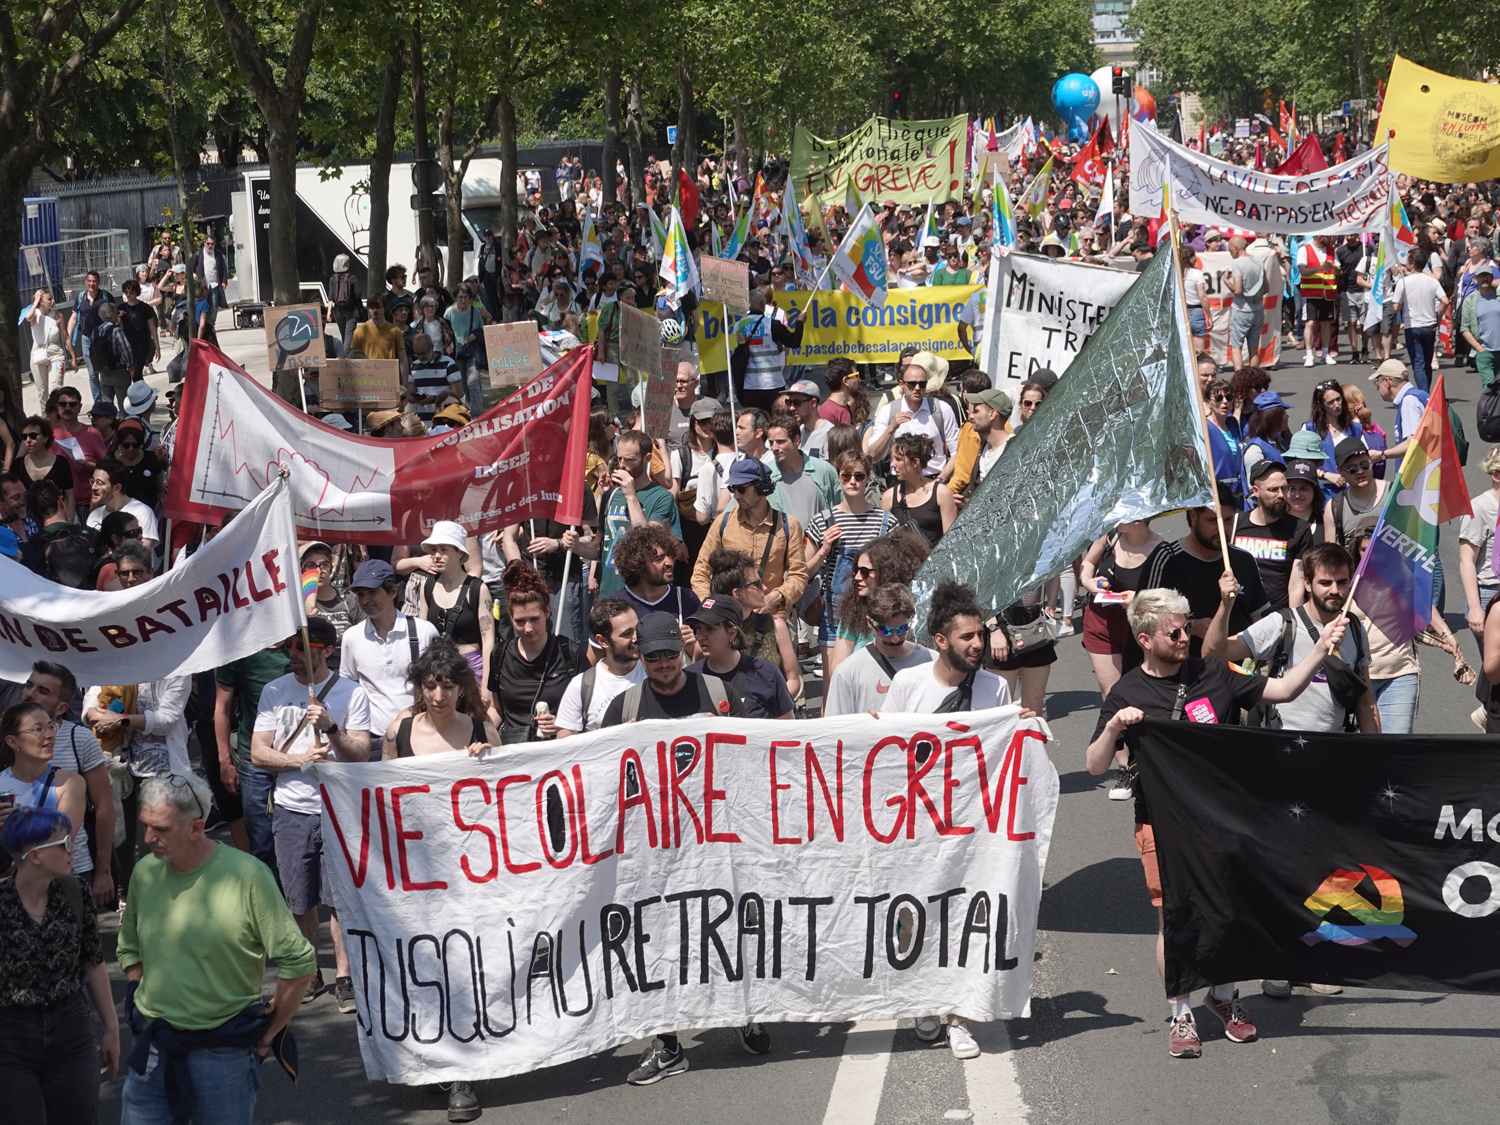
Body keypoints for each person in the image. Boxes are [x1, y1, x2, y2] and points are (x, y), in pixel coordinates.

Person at [1086, 585, 1346, 1058]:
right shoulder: (1128, 690)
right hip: (1161, 824)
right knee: (1175, 918)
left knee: (1226, 911)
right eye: (1175, 631)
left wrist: (1322, 649)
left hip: (1225, 821)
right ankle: (1181, 1010)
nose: (1186, 636)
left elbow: (1283, 690)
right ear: (1144, 639)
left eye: (1187, 627)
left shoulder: (1214, 673)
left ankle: (1224, 998)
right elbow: (1094, 766)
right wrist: (1112, 728)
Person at [116, 771, 315, 1124]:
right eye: (145, 826)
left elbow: (299, 965)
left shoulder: (248, 877)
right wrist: (136, 991)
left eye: (161, 829)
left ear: (196, 827)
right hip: (153, 1046)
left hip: (223, 1054)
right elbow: (129, 945)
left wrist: (268, 1034)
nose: (148, 839)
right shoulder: (145, 873)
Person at [875, 581, 1011, 1059]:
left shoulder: (996, 687)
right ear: (940, 640)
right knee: (913, 916)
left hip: (973, 826)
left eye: (980, 635)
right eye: (967, 637)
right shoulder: (909, 685)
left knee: (966, 917)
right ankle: (923, 998)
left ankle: (958, 1016)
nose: (978, 645)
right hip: (916, 826)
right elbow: (884, 750)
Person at [250, 617, 372, 1011]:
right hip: (291, 809)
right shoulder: (274, 691)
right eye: (292, 648)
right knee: (299, 898)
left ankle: (345, 976)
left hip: (338, 809)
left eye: (305, 650)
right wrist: (300, 759)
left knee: (339, 899)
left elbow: (360, 755)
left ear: (327, 653)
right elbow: (258, 753)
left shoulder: (352, 694)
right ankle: (310, 970)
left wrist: (332, 728)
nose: (296, 656)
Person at [0, 807, 118, 1122]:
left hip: (71, 1030)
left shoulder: (75, 891)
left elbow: (93, 961)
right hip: (11, 1037)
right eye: (65, 843)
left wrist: (112, 1028)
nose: (75, 848)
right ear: (35, 856)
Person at [20, 661, 116, 905]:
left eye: (43, 691)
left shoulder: (79, 738)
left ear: (62, 707)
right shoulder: (4, 736)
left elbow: (104, 807)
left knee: (73, 942)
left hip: (72, 868)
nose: (30, 693)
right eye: (29, 685)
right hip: (14, 870)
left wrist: (103, 872)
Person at [1150, 485, 1271, 657]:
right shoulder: (1166, 559)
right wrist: (1190, 625)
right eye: (1213, 521)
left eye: (1228, 520)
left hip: (1237, 671)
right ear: (1193, 517)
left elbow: (1256, 618)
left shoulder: (1243, 560)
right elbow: (1146, 621)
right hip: (1186, 671)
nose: (1222, 529)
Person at [338, 559, 440, 759]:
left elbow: (442, 683)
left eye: (372, 592)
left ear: (393, 592)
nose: (365, 600)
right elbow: (347, 688)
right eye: (360, 594)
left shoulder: (424, 631)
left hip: (419, 735)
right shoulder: (352, 637)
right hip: (374, 737)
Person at [804, 450, 893, 678]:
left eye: (859, 476)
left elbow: (895, 574)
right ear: (838, 476)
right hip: (833, 615)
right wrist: (824, 548)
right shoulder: (822, 520)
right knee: (832, 686)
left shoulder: (885, 521)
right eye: (846, 476)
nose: (852, 481)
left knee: (872, 683)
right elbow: (804, 571)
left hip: (874, 614)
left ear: (868, 478)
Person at [691, 457, 808, 616]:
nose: (736, 496)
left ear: (760, 487)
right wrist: (713, 607)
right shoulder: (722, 523)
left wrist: (777, 596)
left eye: (741, 488)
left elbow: (799, 575)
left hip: (772, 617)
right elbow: (700, 572)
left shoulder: (789, 525)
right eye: (733, 488)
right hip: (731, 619)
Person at [214, 641, 291, 881]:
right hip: (254, 762)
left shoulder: (301, 644)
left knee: (301, 841)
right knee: (262, 845)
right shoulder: (238, 649)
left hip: (298, 761)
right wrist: (225, 762)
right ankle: (268, 908)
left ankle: (299, 906)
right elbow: (222, 708)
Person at [489, 560, 580, 742]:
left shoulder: (569, 652)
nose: (528, 628)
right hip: (514, 748)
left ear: (547, 612)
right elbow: (496, 709)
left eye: (534, 619)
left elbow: (586, 710)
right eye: (520, 621)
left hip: (556, 748)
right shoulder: (500, 654)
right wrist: (481, 734)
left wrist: (563, 724)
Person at [584, 430, 682, 599]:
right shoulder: (610, 495)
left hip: (642, 594)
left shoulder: (662, 498)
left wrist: (631, 496)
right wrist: (571, 545)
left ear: (647, 459)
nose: (622, 465)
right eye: (619, 458)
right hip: (609, 592)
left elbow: (648, 542)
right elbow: (599, 547)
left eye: (629, 460)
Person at [822, 582, 934, 716]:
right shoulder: (847, 673)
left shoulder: (933, 661)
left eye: (902, 629)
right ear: (870, 623)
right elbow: (835, 729)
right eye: (886, 631)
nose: (895, 639)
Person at [417, 521, 495, 700]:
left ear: (460, 553)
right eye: (434, 549)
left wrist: (486, 684)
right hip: (436, 671)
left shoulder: (477, 589)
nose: (437, 555)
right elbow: (423, 637)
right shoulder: (427, 586)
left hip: (470, 669)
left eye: (444, 549)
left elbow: (488, 639)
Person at [383, 639, 498, 758]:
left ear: (461, 689)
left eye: (448, 687)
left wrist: (488, 761)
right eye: (430, 687)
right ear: (420, 687)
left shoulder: (485, 733)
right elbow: (385, 776)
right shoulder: (398, 732)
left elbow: (499, 774)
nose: (438, 697)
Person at [685, 596, 794, 719]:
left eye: (710, 629)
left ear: (732, 633)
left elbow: (788, 730)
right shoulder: (688, 678)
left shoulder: (767, 673)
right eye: (698, 628)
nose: (700, 636)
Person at [554, 598, 645, 736]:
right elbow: (564, 744)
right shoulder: (582, 685)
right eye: (627, 634)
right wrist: (612, 736)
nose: (636, 637)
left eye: (637, 629)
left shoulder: (655, 671)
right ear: (603, 641)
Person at [1232, 460, 1313, 611]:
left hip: (1277, 617)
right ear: (1256, 491)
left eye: (1284, 488)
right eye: (1273, 490)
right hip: (1240, 616)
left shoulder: (1299, 529)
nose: (1281, 495)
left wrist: (1293, 622)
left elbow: (1296, 586)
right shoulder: (1235, 524)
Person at [865, 354, 960, 479]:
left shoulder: (941, 409)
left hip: (933, 479)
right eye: (911, 384)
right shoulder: (888, 411)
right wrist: (891, 428)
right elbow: (873, 455)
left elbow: (957, 452)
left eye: (922, 384)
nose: (917, 388)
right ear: (901, 384)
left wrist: (940, 480)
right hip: (900, 482)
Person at [612, 524, 702, 638]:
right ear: (638, 566)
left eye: (670, 556)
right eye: (659, 559)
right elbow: (596, 655)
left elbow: (705, 651)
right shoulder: (615, 605)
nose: (669, 563)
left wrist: (693, 646)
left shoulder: (687, 599)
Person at [882, 433, 956, 547]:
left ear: (915, 462)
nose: (892, 464)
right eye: (892, 458)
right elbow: (884, 542)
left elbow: (951, 542)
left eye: (898, 459)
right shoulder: (889, 497)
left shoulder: (941, 493)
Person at [1389, 259, 1449, 392]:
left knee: (1418, 363)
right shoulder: (1432, 281)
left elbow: (1396, 307)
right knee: (1427, 363)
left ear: (1413, 264)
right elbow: (1445, 301)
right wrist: (1437, 318)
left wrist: (1404, 299)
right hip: (1429, 326)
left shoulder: (1403, 282)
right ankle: (1425, 392)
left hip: (1413, 327)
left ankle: (1423, 393)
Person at [1301, 378, 1362, 494]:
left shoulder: (1355, 428)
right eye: (1330, 402)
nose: (1337, 405)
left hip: (1352, 491)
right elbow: (1301, 465)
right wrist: (1325, 474)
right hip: (1322, 493)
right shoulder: (1309, 429)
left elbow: (1365, 460)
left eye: (1338, 399)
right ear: (1321, 405)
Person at [85, 458, 159, 549]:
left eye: (99, 483)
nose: (93, 487)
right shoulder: (94, 517)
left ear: (117, 488)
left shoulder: (143, 513)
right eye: (93, 481)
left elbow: (143, 554)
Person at [1326, 438, 1387, 548]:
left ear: (1371, 461)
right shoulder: (1334, 507)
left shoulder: (1392, 493)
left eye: (1364, 465)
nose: (1360, 471)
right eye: (1352, 468)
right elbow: (1332, 558)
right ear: (1340, 471)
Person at [18, 414, 77, 522]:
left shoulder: (61, 462)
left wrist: (69, 522)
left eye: (33, 435)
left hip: (57, 520)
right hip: (28, 523)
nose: (28, 440)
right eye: (24, 436)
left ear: (45, 437)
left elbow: (70, 497)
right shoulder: (18, 465)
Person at [1367, 359, 1427, 467]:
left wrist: (1382, 455)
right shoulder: (1421, 395)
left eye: (1378, 382)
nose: (1377, 388)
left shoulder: (1409, 401)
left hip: (1420, 476)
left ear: (1387, 382)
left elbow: (1412, 444)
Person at [1298, 233, 1341, 366]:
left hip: (1327, 293)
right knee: (1310, 322)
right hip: (1311, 293)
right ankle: (1309, 354)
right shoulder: (1304, 249)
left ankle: (1326, 353)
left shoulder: (1331, 250)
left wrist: (1333, 268)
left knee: (1326, 323)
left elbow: (1339, 271)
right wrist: (1320, 268)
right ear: (1319, 237)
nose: (1332, 239)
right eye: (1329, 237)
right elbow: (1303, 271)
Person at [1224, 236, 1265, 370]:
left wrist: (1226, 281)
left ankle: (1240, 380)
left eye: (1230, 248)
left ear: (1236, 248)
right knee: (1253, 348)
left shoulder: (1237, 263)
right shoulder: (1258, 260)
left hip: (1241, 310)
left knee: (1236, 347)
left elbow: (1237, 290)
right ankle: (1254, 381)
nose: (1229, 251)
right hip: (1258, 310)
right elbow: (1267, 287)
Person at [350, 294, 410, 380]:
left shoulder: (394, 331)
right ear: (367, 309)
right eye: (372, 307)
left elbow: (403, 359)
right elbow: (353, 358)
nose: (375, 310)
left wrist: (405, 383)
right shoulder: (359, 331)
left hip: (389, 378)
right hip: (366, 379)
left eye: (378, 307)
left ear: (384, 308)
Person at [1460, 262, 1500, 388]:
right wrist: (1479, 348)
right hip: (1485, 352)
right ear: (1475, 279)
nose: (1485, 278)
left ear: (1492, 278)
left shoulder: (1498, 296)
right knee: (1489, 389)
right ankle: (1489, 408)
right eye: (1481, 276)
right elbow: (1465, 328)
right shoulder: (1470, 301)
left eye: (1487, 276)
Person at [784, 379, 834, 458]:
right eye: (789, 402)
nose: (791, 408)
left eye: (797, 402)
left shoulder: (830, 434)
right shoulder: (798, 431)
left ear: (813, 403)